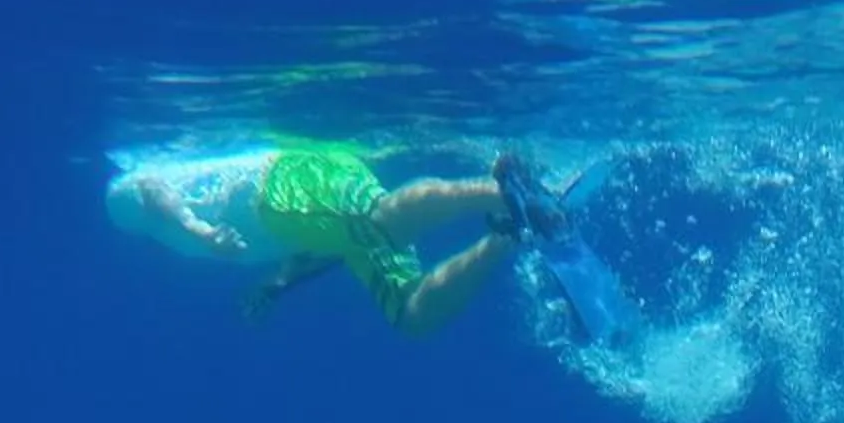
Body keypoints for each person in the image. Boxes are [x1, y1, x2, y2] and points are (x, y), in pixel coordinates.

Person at [105, 141, 546, 337]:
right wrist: (278, 284)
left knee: (379, 220)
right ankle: (510, 232)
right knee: (412, 315)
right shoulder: (177, 245)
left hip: (280, 182)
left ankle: (505, 190)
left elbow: (147, 188)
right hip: (305, 219)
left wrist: (197, 230)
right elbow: (319, 239)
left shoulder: (125, 204)